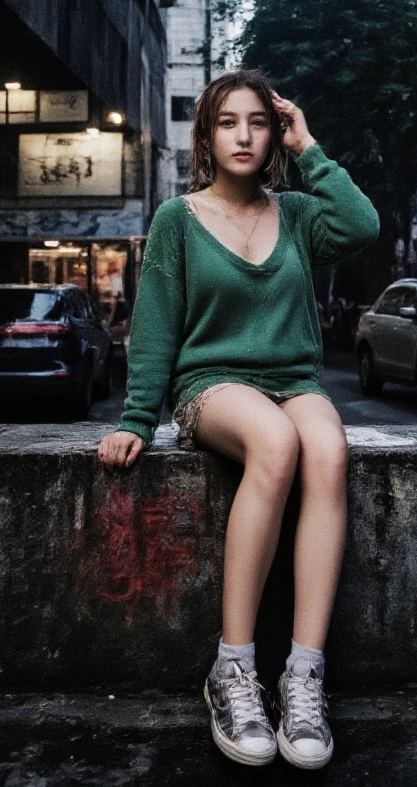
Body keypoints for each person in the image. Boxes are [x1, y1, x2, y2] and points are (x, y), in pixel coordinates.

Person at [97, 69, 379, 770]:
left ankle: (304, 676)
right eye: (228, 122)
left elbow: (364, 224)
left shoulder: (299, 213)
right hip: (212, 386)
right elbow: (156, 326)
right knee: (277, 443)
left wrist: (310, 148)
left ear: (276, 132)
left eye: (259, 121)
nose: (245, 135)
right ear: (207, 136)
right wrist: (137, 416)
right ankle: (233, 670)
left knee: (329, 450)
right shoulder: (178, 219)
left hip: (292, 378)